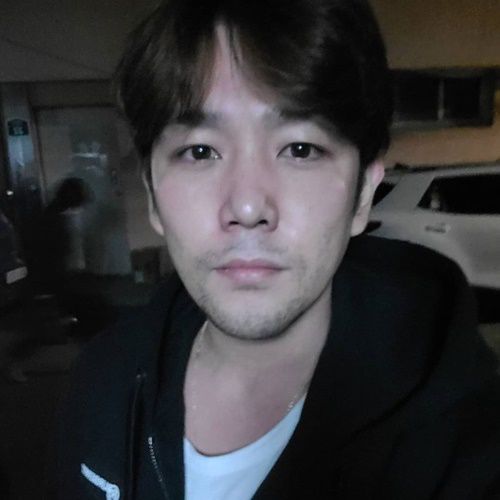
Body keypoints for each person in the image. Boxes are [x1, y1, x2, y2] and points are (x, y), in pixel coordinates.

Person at [52, 0, 500, 498]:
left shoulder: (462, 439)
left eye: (300, 149)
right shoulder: (104, 378)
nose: (247, 207)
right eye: (200, 151)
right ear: (153, 197)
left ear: (362, 196)